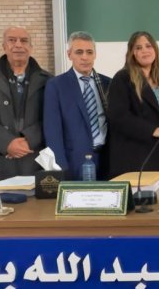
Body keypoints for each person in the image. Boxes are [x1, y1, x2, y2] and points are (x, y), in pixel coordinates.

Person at [0, 27, 52, 180]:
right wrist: (7, 143)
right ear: (4, 47)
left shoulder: (49, 80)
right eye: (12, 40)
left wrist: (30, 140)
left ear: (31, 48)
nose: (18, 45)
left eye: (24, 41)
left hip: (35, 160)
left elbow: (53, 118)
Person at [106, 31, 159, 179]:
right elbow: (118, 116)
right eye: (138, 47)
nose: (144, 50)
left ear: (155, 49)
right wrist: (153, 130)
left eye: (148, 46)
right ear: (132, 53)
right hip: (134, 157)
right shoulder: (123, 78)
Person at [43, 31, 111, 180]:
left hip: (108, 161)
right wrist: (61, 170)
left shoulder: (108, 83)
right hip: (74, 163)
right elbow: (53, 132)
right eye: (79, 52)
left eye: (89, 52)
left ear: (95, 55)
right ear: (69, 55)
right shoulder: (56, 85)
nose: (85, 57)